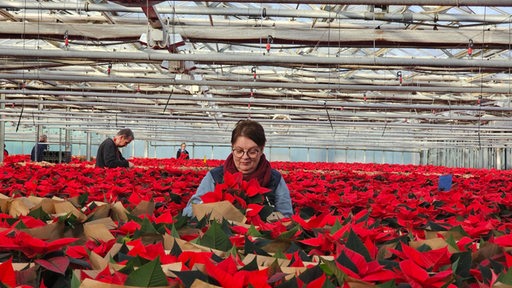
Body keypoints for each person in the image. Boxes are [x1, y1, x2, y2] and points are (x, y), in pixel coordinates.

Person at [183, 119, 293, 218]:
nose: (245, 157)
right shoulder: (215, 176)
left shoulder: (274, 179)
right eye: (239, 151)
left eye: (252, 151)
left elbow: (287, 216)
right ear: (232, 148)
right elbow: (189, 212)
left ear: (262, 149)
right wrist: (217, 210)